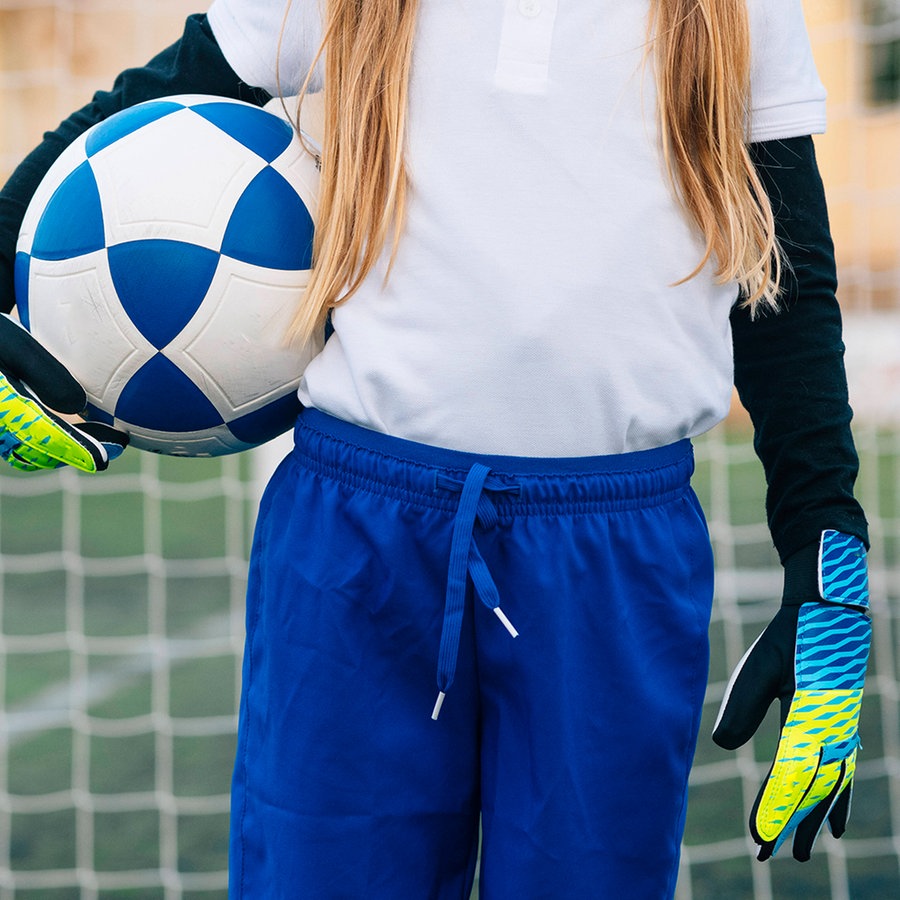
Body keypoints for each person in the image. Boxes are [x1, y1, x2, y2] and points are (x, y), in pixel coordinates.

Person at [0, 1, 873, 897]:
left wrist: (824, 557)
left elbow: (787, 277)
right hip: (357, 535)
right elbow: (146, 102)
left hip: (616, 550)